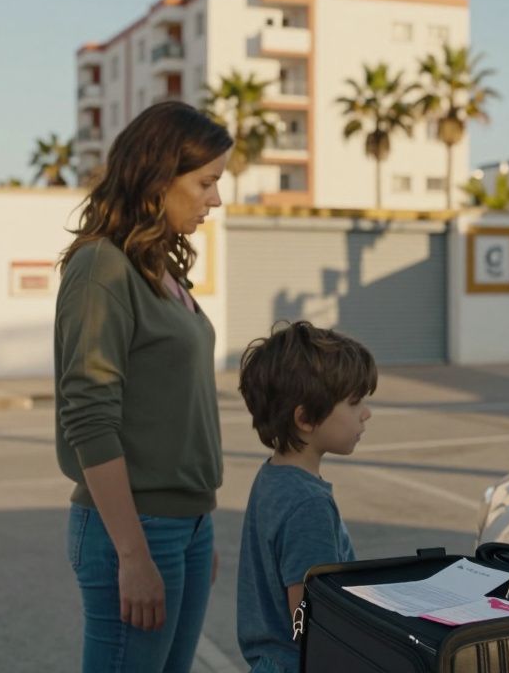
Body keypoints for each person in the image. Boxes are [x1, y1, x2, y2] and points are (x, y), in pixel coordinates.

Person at [55, 101, 231, 672]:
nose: (216, 199)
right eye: (206, 182)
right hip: (134, 528)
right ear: (158, 177)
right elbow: (89, 416)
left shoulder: (161, 269)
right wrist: (133, 553)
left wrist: (199, 522)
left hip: (186, 524)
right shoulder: (101, 268)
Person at [235, 321, 377, 673]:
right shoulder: (307, 505)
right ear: (306, 418)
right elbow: (312, 625)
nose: (366, 413)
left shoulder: (273, 476)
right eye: (354, 402)